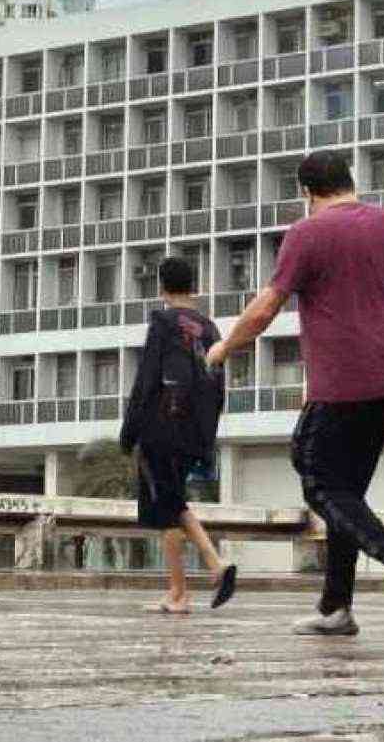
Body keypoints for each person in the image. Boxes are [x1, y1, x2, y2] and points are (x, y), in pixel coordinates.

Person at [206, 150, 384, 637]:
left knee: (316, 478)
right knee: (346, 494)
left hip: (340, 384)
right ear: (350, 180)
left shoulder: (306, 234)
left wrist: (223, 348)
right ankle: (336, 608)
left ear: (306, 191)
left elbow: (266, 308)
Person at [120, 256, 237, 615]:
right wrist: (206, 437)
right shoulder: (210, 328)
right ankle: (192, 581)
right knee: (171, 501)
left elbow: (147, 379)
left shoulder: (164, 322)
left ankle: (193, 582)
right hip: (193, 431)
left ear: (162, 287)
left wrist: (130, 430)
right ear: (194, 285)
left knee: (166, 507)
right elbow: (217, 387)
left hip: (160, 427)